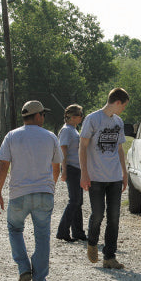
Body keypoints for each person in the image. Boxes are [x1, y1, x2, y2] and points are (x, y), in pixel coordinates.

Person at [0, 100, 62, 281]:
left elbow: (3, 165)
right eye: (43, 114)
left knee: (15, 229)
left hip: (19, 194)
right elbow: (56, 167)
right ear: (38, 115)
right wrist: (50, 188)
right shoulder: (50, 136)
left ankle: (24, 268)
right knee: (42, 237)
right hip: (44, 193)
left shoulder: (12, 136)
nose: (43, 118)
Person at [79, 87, 130, 269]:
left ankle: (109, 257)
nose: (123, 109)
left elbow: (120, 149)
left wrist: (124, 173)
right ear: (117, 102)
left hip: (114, 177)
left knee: (114, 217)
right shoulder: (92, 119)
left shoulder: (118, 121)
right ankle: (92, 242)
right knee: (98, 214)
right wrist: (84, 173)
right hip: (96, 177)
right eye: (123, 106)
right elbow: (82, 146)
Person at [55, 104, 87, 243]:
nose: (81, 117)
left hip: (77, 168)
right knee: (74, 201)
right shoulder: (66, 130)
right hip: (71, 168)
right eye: (80, 115)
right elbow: (63, 150)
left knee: (78, 201)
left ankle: (78, 232)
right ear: (72, 117)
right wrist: (64, 170)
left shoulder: (74, 130)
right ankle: (63, 231)